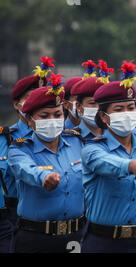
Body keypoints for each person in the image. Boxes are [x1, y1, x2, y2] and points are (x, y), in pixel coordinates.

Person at [81, 61, 136, 253]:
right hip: (104, 242)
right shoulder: (93, 149)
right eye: (119, 110)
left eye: (130, 108)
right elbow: (105, 163)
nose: (127, 114)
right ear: (104, 118)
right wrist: (130, 166)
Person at [8, 73, 85, 253]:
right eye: (44, 115)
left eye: (57, 114)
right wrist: (44, 177)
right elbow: (26, 169)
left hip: (75, 238)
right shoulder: (19, 148)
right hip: (35, 238)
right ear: (30, 120)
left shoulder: (77, 142)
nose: (52, 120)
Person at [2, 56, 53, 231]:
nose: (39, 102)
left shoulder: (62, 137)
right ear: (17, 104)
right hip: (12, 218)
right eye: (32, 97)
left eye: (44, 96)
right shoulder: (5, 138)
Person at [71, 60, 114, 142]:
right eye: (92, 103)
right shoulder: (70, 139)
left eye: (102, 104)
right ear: (79, 106)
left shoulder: (116, 136)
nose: (98, 108)